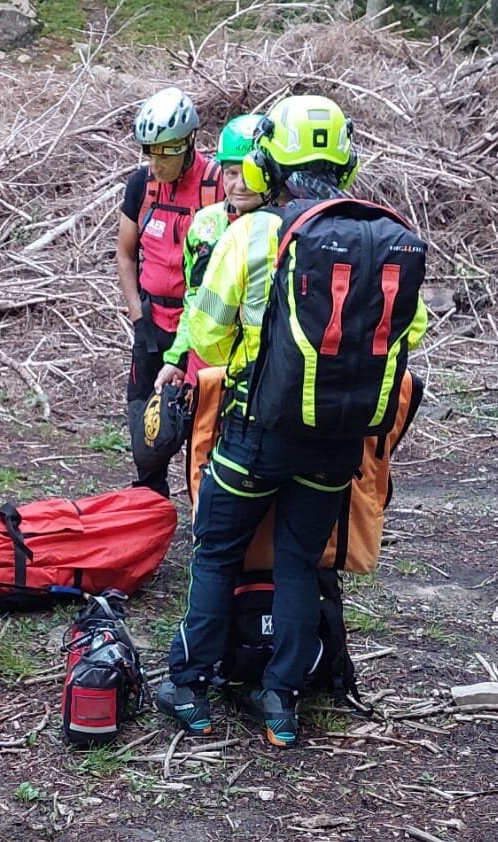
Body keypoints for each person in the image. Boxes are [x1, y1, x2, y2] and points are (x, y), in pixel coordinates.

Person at [154, 96, 430, 748]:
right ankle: (282, 703)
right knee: (301, 562)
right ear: (346, 163)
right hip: (338, 444)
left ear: (266, 164)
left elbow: (209, 338)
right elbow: (409, 331)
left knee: (216, 552)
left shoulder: (251, 235)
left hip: (256, 434)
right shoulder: (387, 239)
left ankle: (187, 685)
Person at [117, 87, 222, 496]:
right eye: (150, 152)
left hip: (201, 329)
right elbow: (126, 255)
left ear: (188, 142)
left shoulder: (217, 186)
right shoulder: (141, 186)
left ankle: (206, 517)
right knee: (146, 434)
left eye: (165, 153)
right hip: (152, 323)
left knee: (203, 430)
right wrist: (137, 317)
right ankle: (149, 511)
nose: (156, 162)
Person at [154, 113, 268, 386]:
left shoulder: (283, 228)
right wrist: (177, 357)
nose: (240, 185)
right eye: (231, 173)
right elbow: (193, 299)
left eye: (250, 175)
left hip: (258, 370)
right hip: (204, 366)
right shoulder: (206, 224)